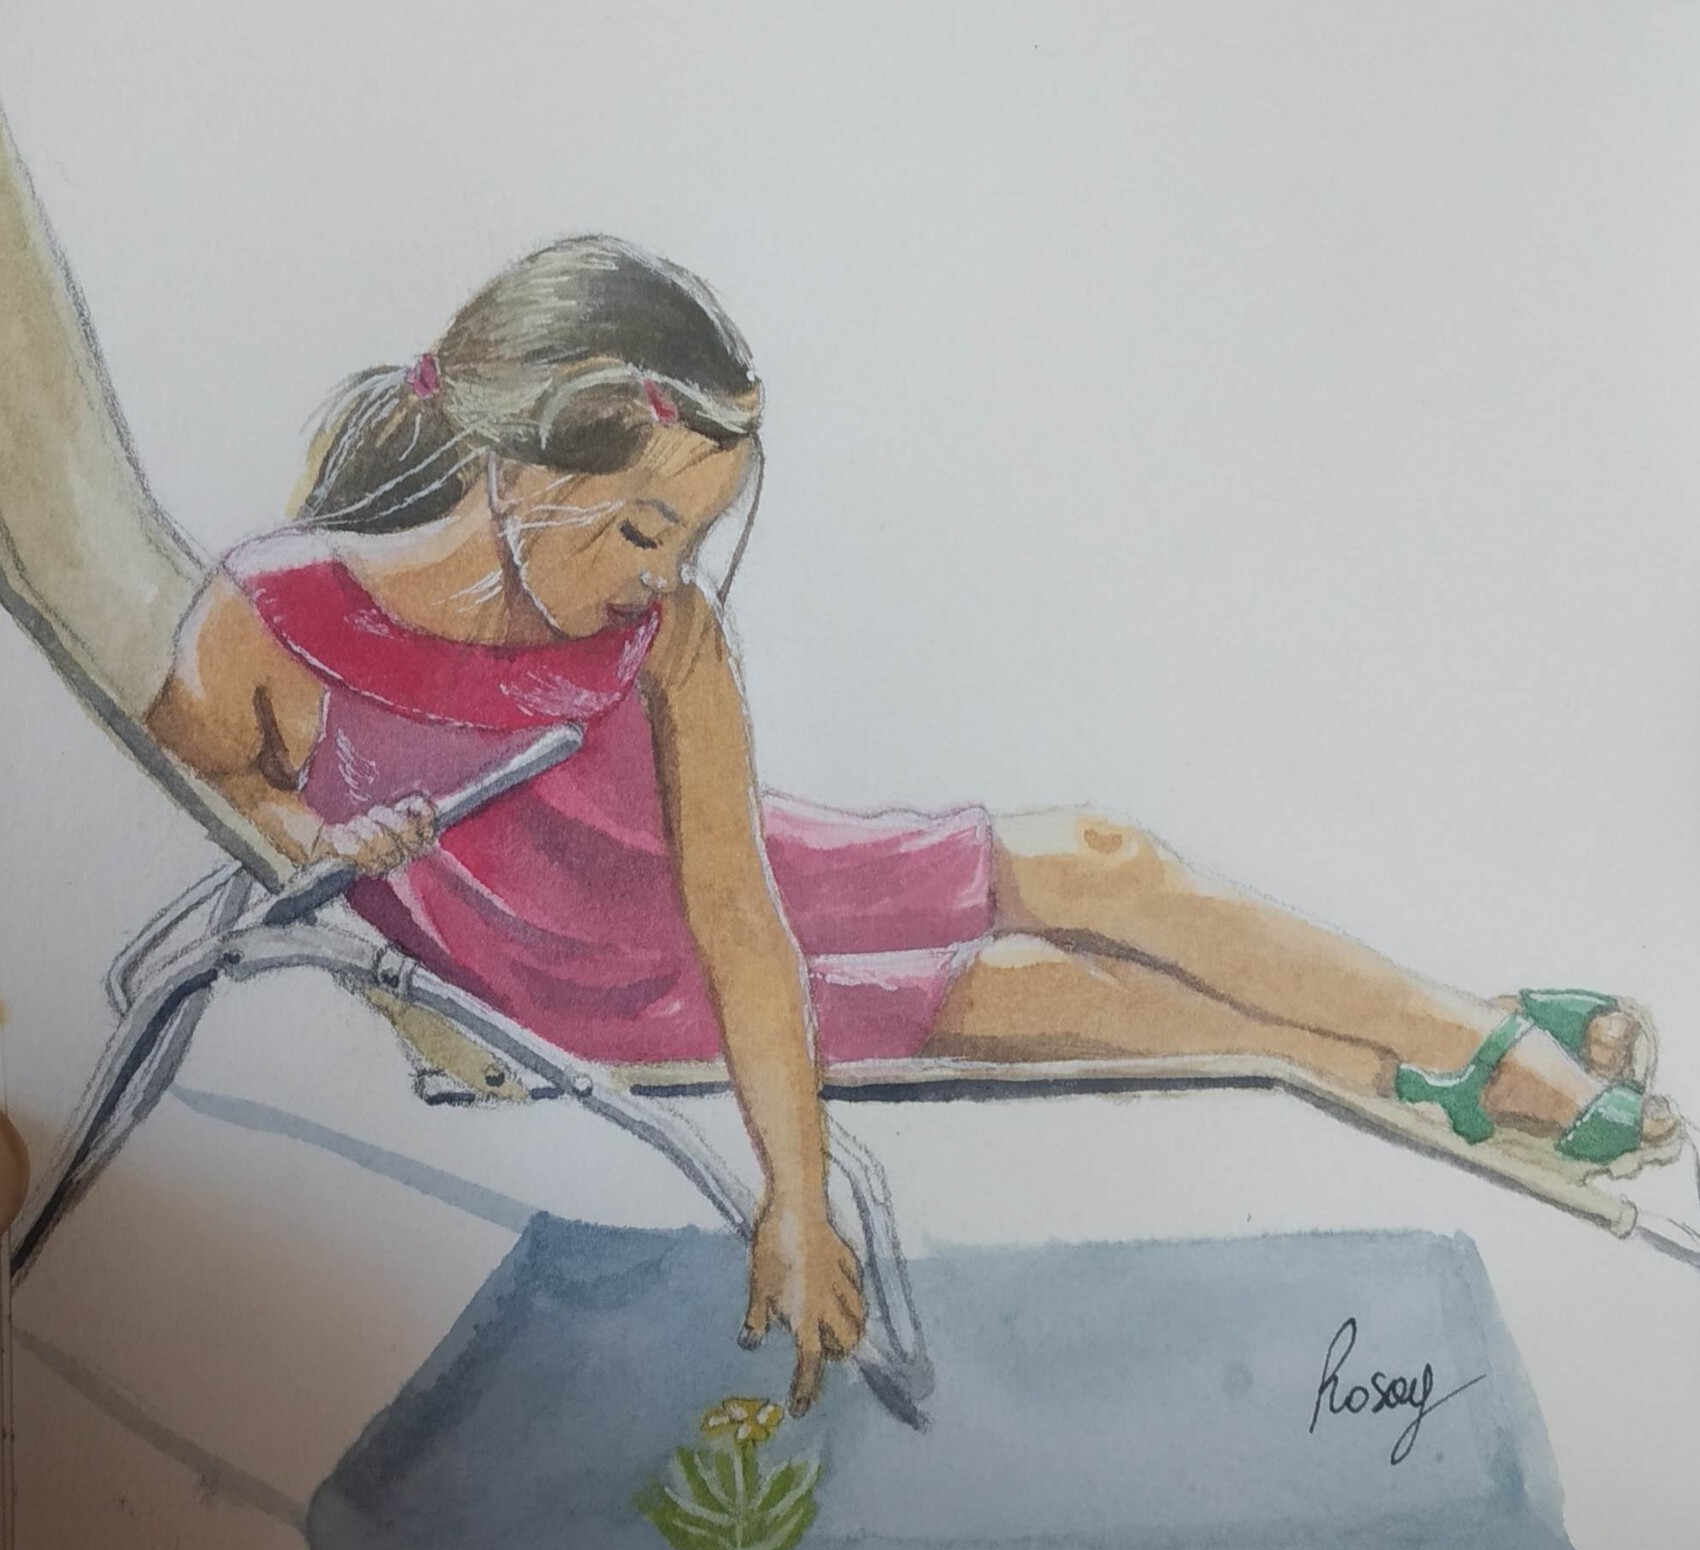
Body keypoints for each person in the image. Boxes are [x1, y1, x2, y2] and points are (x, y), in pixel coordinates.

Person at [144, 236, 1677, 1416]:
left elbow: (737, 901)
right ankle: (1423, 1079)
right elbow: (200, 791)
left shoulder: (665, 636)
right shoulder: (269, 614)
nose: (663, 573)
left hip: (715, 894)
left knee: (1101, 861)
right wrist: (309, 839)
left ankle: (1462, 1027)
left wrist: (797, 1194)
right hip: (595, 990)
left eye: (690, 539)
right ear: (522, 464)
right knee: (1078, 1000)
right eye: (643, 526)